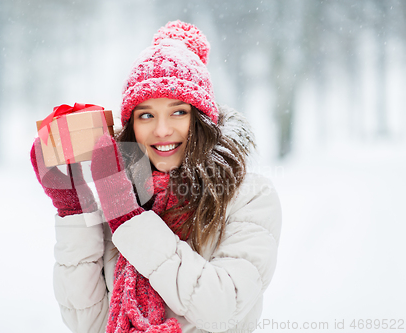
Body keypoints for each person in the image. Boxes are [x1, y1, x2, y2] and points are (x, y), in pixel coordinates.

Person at [31, 20, 281, 333]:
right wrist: (74, 208)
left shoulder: (249, 196)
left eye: (178, 112)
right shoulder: (125, 192)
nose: (162, 130)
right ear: (132, 125)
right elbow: (89, 323)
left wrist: (128, 219)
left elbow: (222, 308)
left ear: (201, 119)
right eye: (146, 115)